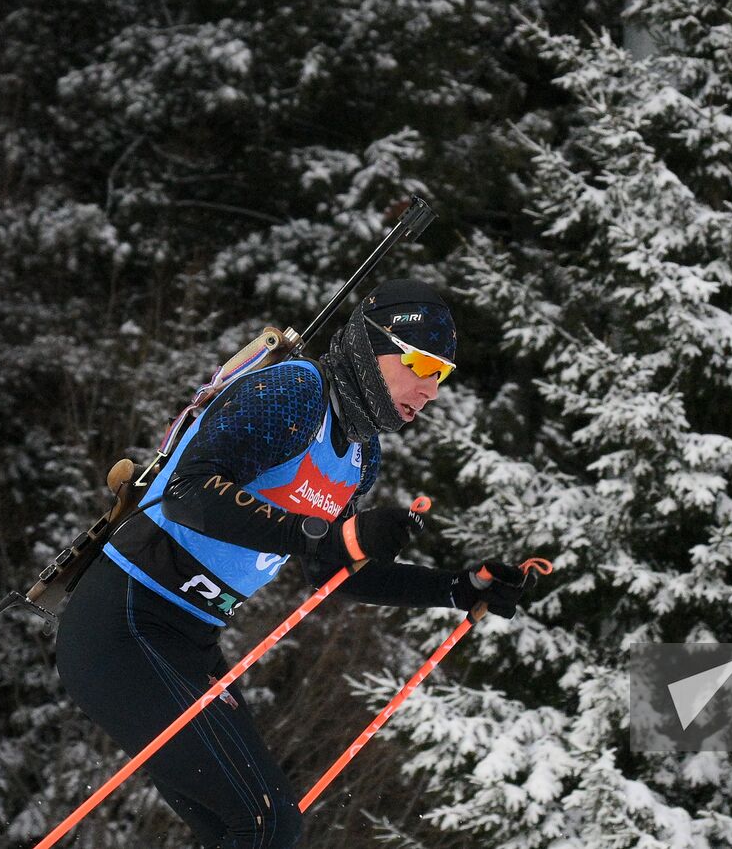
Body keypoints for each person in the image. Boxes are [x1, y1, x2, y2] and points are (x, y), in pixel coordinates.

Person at [55, 279, 529, 849]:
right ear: (369, 345)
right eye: (422, 364)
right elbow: (189, 492)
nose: (431, 390)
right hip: (124, 621)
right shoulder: (294, 391)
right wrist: (329, 535)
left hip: (189, 640)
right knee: (264, 822)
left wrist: (458, 588)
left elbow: (333, 569)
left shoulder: (359, 453)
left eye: (443, 374)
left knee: (247, 828)